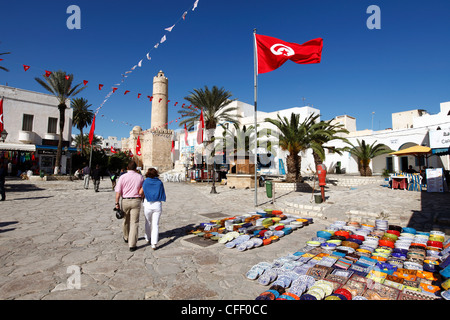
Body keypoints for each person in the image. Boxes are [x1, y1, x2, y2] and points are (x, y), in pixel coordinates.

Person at [114, 161, 144, 252]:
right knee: (135, 223)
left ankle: (126, 237)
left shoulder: (122, 177)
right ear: (136, 168)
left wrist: (117, 203)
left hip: (125, 201)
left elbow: (118, 192)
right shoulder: (140, 177)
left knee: (125, 220)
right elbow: (142, 190)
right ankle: (132, 244)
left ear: (127, 168)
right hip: (136, 200)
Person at [139, 168, 166, 250]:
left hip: (148, 204)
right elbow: (162, 192)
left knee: (148, 222)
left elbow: (140, 192)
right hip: (157, 204)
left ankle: (147, 237)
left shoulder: (146, 181)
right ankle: (154, 243)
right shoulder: (159, 182)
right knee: (156, 224)